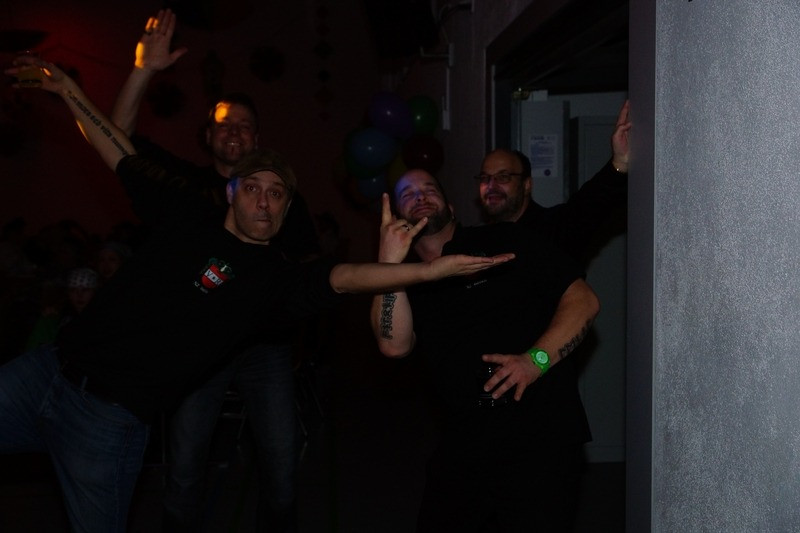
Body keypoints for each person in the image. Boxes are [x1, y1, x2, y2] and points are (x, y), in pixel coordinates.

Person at [1, 56, 513, 533]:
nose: (264, 201)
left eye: (276, 193)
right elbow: (117, 150)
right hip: (47, 372)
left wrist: (421, 271)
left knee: (266, 457)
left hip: (106, 421)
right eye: (253, 188)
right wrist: (66, 88)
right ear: (231, 192)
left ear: (287, 209)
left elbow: (342, 277)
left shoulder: (271, 280)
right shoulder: (186, 210)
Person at [111, 10, 321, 531]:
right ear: (208, 134)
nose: (235, 132)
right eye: (225, 122)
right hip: (198, 349)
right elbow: (117, 134)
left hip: (264, 348)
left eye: (245, 125)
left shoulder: (280, 197)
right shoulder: (181, 185)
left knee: (282, 467)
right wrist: (142, 70)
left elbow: (311, 270)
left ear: (258, 138)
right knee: (184, 468)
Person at [370, 169, 600, 532]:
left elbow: (583, 300)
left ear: (450, 206)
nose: (420, 195)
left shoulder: (503, 239)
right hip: (466, 443)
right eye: (407, 194)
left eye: (429, 187)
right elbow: (393, 345)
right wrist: (389, 265)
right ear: (396, 217)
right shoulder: (403, 280)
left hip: (539, 436)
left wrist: (535, 360)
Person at [477, 100, 631, 266]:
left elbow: (591, 203)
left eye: (503, 177)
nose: (491, 186)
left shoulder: (554, 230)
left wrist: (619, 163)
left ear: (527, 185)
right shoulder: (478, 241)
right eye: (485, 178)